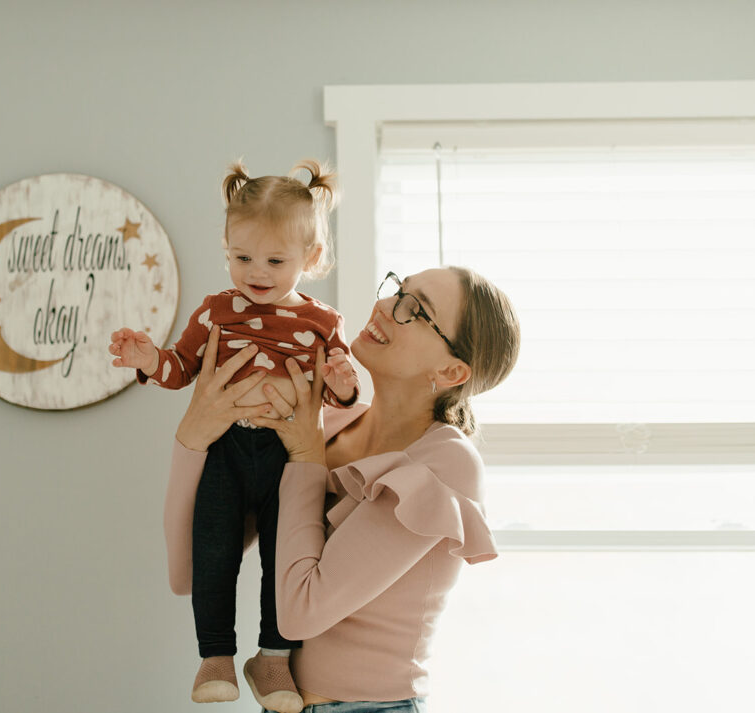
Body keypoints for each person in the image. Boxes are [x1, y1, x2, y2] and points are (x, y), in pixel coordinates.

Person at [164, 266, 521, 713]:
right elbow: (188, 575)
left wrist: (307, 456)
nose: (386, 306)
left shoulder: (446, 463)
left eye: (416, 309)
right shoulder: (324, 424)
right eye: (398, 289)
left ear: (451, 370)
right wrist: (192, 438)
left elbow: (300, 611)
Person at [109, 160, 360, 712]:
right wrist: (149, 357)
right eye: (242, 257)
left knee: (286, 556)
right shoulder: (215, 311)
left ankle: (272, 656)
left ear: (311, 260)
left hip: (287, 460)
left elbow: (341, 392)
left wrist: (343, 384)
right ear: (225, 247)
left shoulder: (322, 323)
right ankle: (215, 655)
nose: (257, 271)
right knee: (215, 551)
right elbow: (180, 369)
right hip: (225, 451)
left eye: (275, 260)